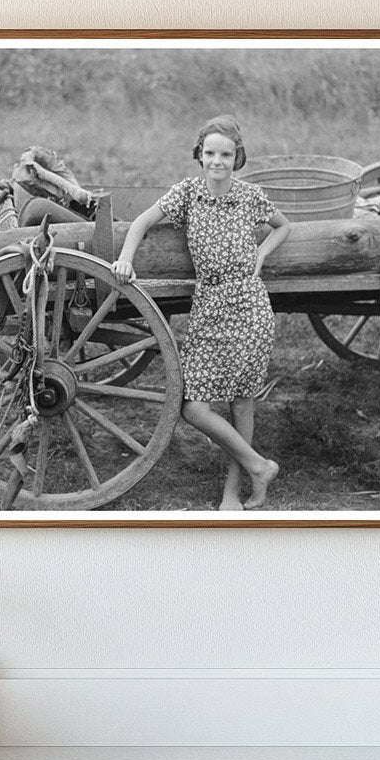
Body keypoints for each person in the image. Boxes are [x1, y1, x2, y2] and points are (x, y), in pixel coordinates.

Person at [111, 116, 291, 510]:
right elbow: (141, 221)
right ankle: (260, 467)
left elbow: (282, 226)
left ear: (236, 157)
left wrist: (262, 252)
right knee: (193, 406)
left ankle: (236, 491)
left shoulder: (249, 196)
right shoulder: (188, 194)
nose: (217, 162)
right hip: (209, 307)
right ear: (200, 155)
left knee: (242, 401)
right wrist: (125, 258)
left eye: (225, 154)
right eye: (210, 153)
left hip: (248, 305)